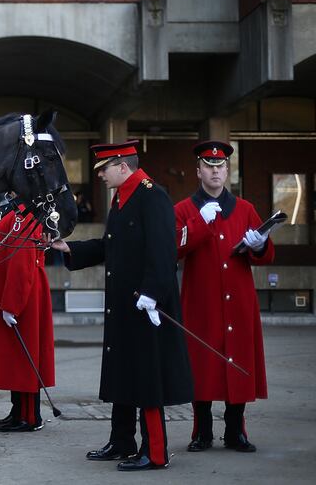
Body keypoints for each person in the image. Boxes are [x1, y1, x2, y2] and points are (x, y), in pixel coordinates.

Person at [50, 140, 193, 471]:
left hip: (147, 306)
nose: (99, 175)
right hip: (124, 306)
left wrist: (152, 293)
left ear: (122, 166)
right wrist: (69, 249)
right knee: (124, 373)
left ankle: (154, 452)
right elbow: (109, 246)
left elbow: (163, 250)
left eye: (103, 169)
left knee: (147, 378)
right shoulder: (122, 199)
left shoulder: (151, 195)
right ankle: (122, 440)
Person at [174, 140, 274, 453]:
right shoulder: (183, 209)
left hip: (239, 302)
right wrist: (199, 222)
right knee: (201, 366)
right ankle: (202, 431)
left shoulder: (244, 209)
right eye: (209, 166)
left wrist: (258, 244)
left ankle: (235, 432)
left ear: (227, 171)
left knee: (238, 364)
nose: (215, 171)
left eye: (220, 166)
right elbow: (174, 248)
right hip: (201, 303)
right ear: (198, 171)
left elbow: (266, 255)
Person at [0, 202, 55, 432]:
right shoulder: (20, 214)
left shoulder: (24, 217)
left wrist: (11, 305)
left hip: (23, 298)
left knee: (25, 358)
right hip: (23, 295)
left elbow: (21, 265)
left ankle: (29, 416)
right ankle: (18, 412)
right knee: (19, 357)